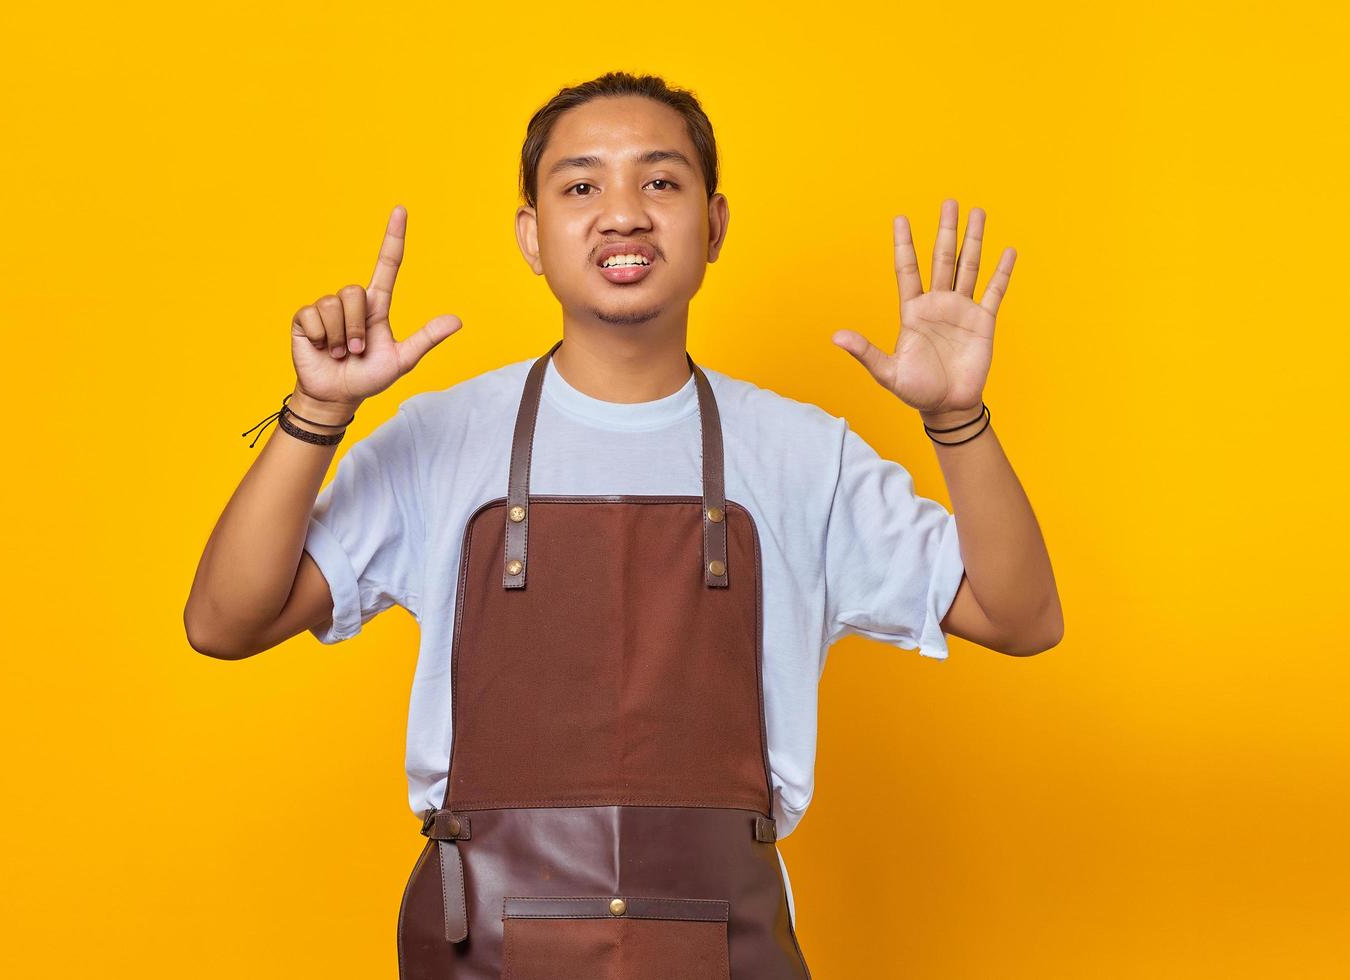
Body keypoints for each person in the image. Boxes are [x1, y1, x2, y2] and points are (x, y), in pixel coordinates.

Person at [184, 71, 1063, 979]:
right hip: (480, 949)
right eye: (580, 186)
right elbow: (225, 622)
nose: (623, 214)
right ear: (530, 235)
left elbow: (1021, 617)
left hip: (725, 952)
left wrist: (957, 420)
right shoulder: (441, 440)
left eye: (660, 182)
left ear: (714, 224)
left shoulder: (805, 456)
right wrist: (314, 415)